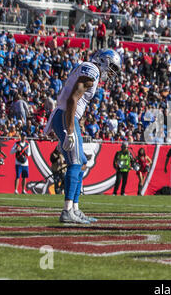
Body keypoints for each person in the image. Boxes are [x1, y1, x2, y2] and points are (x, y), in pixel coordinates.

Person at [43, 48, 122, 224]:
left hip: (67, 116)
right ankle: (67, 210)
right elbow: (72, 99)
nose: (111, 74)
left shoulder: (89, 70)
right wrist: (70, 129)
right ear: (104, 61)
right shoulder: (92, 69)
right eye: (112, 68)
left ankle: (75, 209)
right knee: (75, 162)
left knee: (82, 163)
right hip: (66, 115)